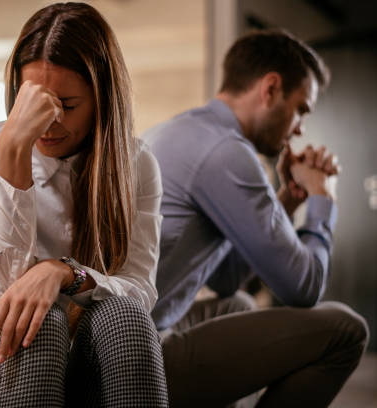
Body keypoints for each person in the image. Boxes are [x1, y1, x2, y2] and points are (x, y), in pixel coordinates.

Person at [0, 3, 168, 407]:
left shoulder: (137, 165)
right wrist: (14, 150)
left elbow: (139, 289)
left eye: (66, 106)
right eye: (34, 101)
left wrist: (63, 273)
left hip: (76, 356)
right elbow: (6, 281)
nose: (48, 122)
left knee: (127, 316)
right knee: (40, 319)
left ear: (101, 100)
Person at [143, 29, 369, 407]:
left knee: (238, 306)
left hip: (128, 328)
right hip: (135, 357)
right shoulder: (226, 152)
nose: (299, 127)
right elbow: (304, 288)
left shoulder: (182, 130)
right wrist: (321, 197)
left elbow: (226, 279)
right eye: (301, 109)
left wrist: (286, 200)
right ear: (270, 89)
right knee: (347, 329)